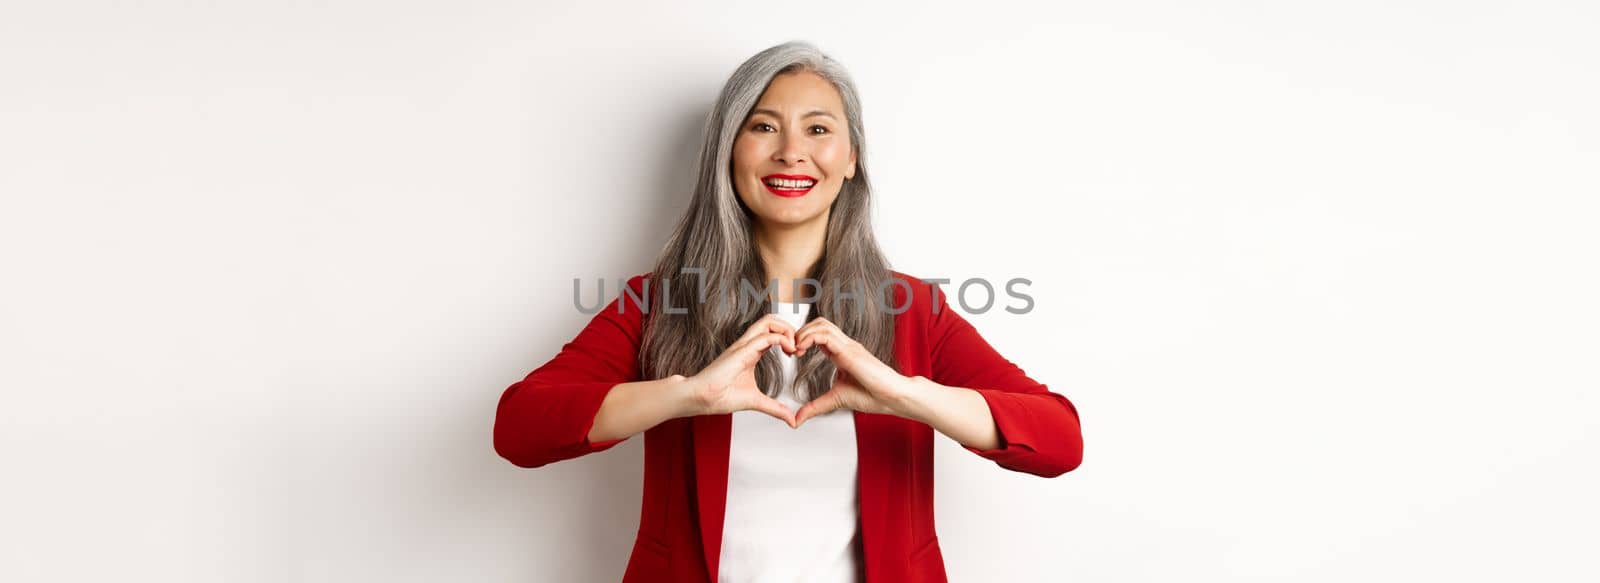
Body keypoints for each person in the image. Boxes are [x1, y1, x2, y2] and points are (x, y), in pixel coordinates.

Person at [493, 40, 1084, 583]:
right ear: (728, 152)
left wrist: (906, 394)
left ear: (852, 157)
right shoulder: (658, 301)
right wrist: (687, 395)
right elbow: (521, 428)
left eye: (818, 128)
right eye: (764, 126)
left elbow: (1059, 440)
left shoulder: (912, 310)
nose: (791, 152)